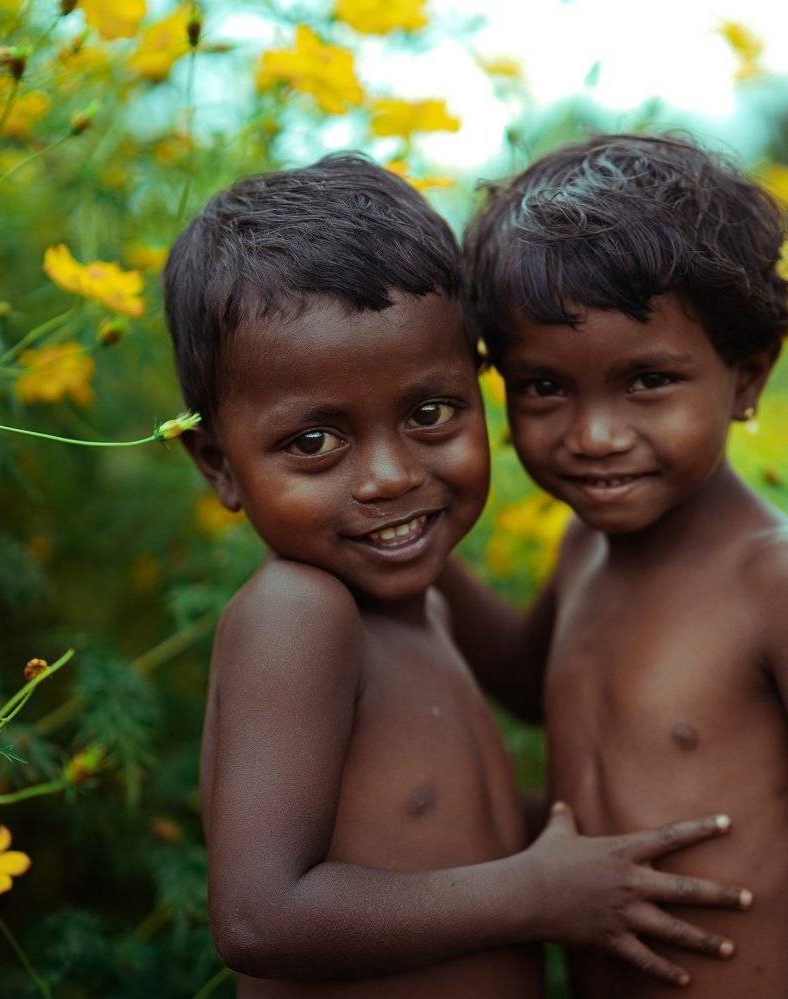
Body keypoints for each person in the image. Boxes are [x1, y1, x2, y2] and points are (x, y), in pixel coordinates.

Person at [162, 152, 753, 998]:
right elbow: (260, 917)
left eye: (430, 413)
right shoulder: (299, 611)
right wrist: (537, 892)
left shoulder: (421, 591)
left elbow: (510, 711)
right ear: (219, 464)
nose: (389, 477)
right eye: (314, 442)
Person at [444, 133, 788, 997]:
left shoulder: (781, 578)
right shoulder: (583, 549)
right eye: (544, 387)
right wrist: (416, 550)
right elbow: (532, 685)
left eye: (647, 381)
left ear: (746, 378)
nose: (595, 434)